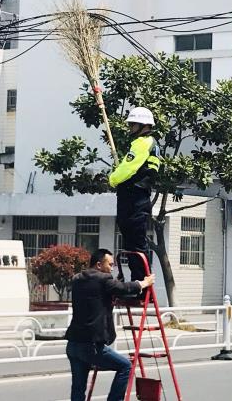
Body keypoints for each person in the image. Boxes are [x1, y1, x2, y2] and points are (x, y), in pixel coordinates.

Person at [65, 248, 155, 401]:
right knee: (125, 366)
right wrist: (144, 283)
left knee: (78, 389)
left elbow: (99, 293)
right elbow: (123, 289)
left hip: (73, 344)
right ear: (99, 265)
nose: (111, 268)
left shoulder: (77, 279)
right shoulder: (103, 279)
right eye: (110, 265)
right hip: (91, 346)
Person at [109, 107, 160, 283]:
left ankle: (141, 283)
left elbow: (128, 168)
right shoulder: (144, 144)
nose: (130, 128)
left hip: (135, 198)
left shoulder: (143, 143)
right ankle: (135, 282)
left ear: (142, 125)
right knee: (131, 242)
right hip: (134, 197)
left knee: (136, 242)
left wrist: (113, 179)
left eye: (133, 124)